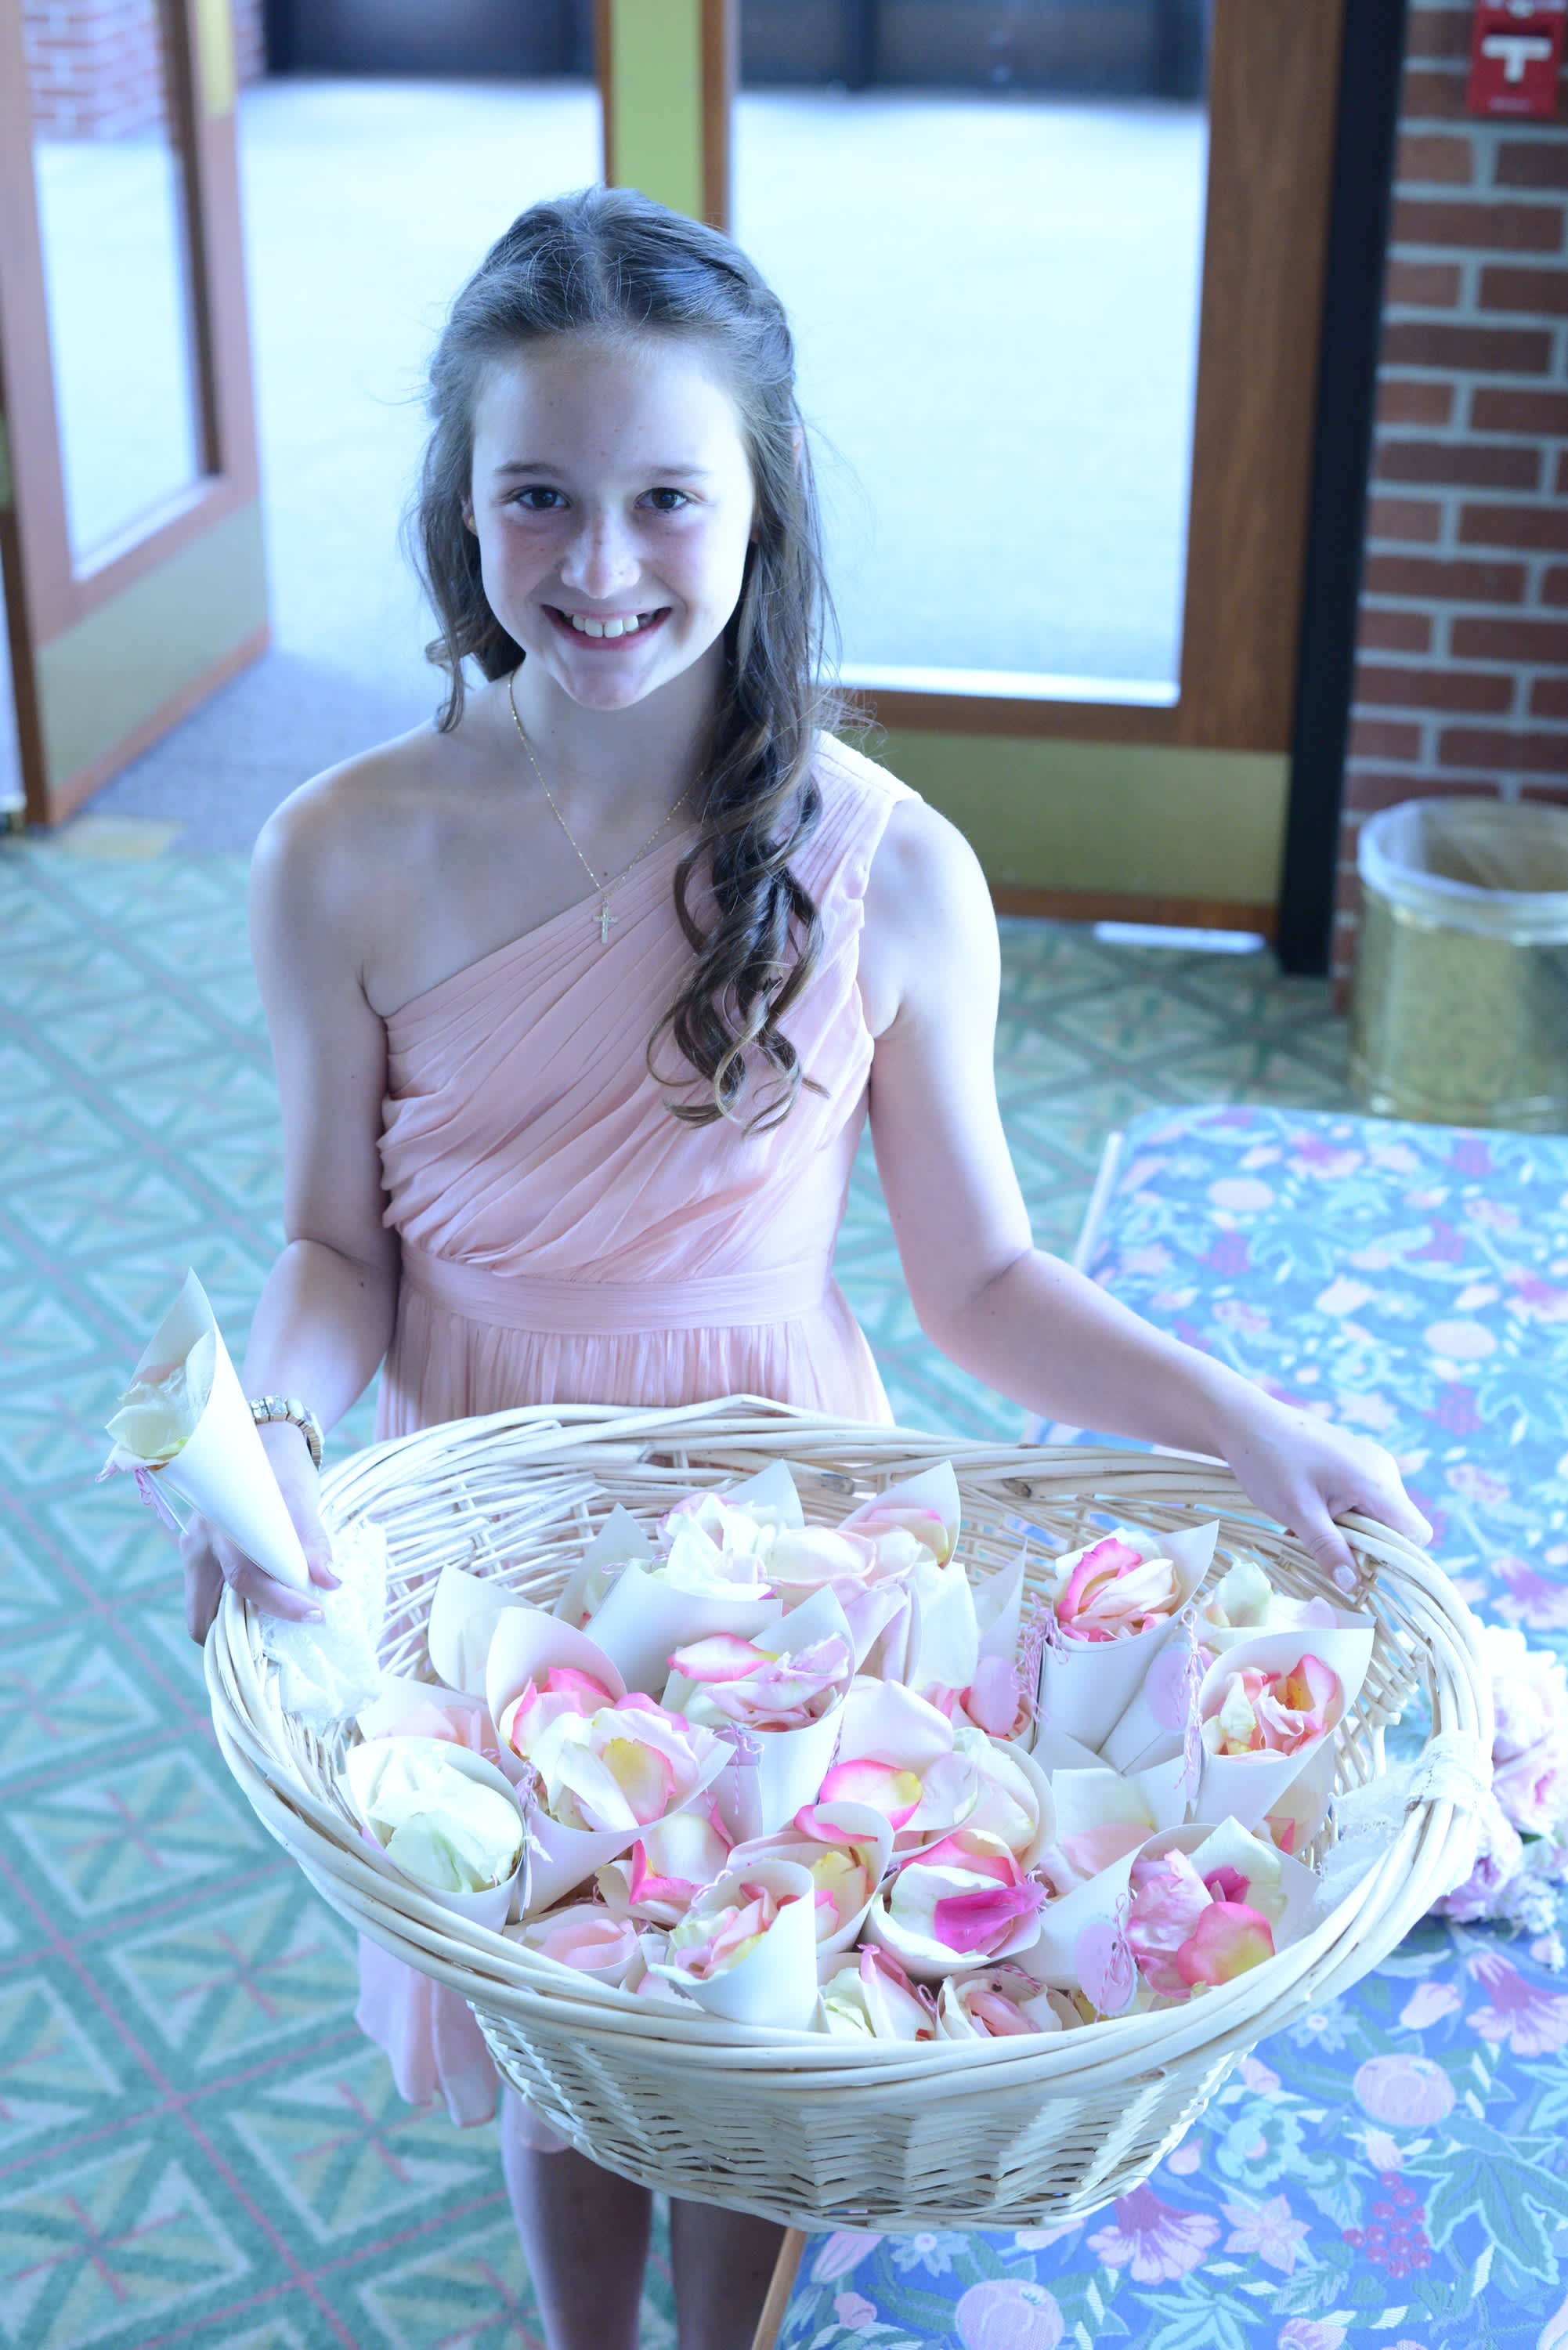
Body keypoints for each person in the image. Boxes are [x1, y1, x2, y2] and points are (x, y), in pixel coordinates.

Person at [182, 187, 1429, 2350]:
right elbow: (328, 1247)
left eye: (667, 498)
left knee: (761, 2012)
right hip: (488, 1505)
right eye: (537, 496)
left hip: (783, 1519)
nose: (600, 565)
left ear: (761, 506)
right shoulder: (340, 853)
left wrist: (1248, 1424)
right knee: (565, 2021)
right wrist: (266, 1430)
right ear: (457, 501)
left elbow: (981, 1283)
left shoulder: (894, 867)